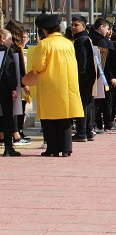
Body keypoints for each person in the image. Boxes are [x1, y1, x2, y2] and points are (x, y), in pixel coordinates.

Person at [23, 14, 83, 157]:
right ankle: (66, 148)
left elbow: (38, 66)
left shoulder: (44, 44)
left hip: (50, 84)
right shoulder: (68, 43)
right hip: (67, 85)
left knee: (49, 118)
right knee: (64, 117)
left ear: (44, 30)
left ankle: (53, 148)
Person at [70, 16, 97, 142]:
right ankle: (87, 130)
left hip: (83, 77)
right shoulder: (87, 39)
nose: (73, 27)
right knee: (87, 104)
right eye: (72, 25)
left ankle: (82, 132)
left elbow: (82, 61)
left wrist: (78, 75)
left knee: (82, 105)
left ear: (84, 26)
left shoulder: (81, 40)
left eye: (76, 25)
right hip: (89, 76)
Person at [89, 18, 116, 135]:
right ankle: (103, 124)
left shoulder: (89, 39)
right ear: (101, 27)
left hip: (92, 76)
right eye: (107, 28)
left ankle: (95, 125)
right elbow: (106, 63)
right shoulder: (102, 42)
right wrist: (111, 76)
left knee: (94, 103)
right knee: (103, 102)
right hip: (102, 77)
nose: (108, 31)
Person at [0, 29, 21, 156]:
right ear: (2, 39)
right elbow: (9, 71)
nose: (11, 42)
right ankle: (8, 147)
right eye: (9, 39)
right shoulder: (7, 52)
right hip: (4, 88)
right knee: (7, 117)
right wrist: (13, 87)